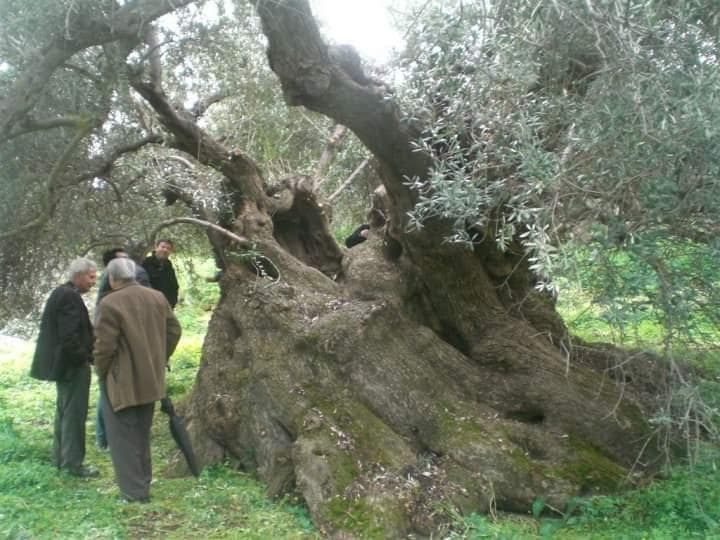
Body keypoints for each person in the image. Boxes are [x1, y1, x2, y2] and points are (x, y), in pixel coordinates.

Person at [94, 258, 182, 502]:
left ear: (112, 279)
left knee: (122, 437)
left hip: (121, 380)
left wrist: (102, 372)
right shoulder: (157, 297)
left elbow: (104, 347)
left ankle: (133, 494)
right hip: (151, 378)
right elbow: (174, 330)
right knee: (141, 434)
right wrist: (159, 356)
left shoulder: (109, 303)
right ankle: (142, 482)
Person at [30, 258, 99, 478]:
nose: (93, 282)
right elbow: (69, 336)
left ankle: (61, 458)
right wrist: (85, 357)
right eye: (91, 277)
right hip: (72, 367)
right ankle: (73, 464)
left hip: (63, 366)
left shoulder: (61, 293)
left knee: (64, 411)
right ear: (78, 275)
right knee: (74, 414)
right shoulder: (69, 297)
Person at [93, 247, 151, 450]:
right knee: (110, 396)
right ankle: (105, 438)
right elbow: (105, 339)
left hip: (128, 345)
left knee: (114, 395)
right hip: (121, 348)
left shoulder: (132, 279)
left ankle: (108, 438)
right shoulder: (110, 296)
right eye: (122, 259)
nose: (127, 262)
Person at [141, 239, 179, 308]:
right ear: (156, 248)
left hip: (167, 307)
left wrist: (172, 304)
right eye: (163, 247)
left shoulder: (168, 266)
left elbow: (174, 286)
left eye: (168, 248)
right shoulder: (146, 263)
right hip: (150, 307)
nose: (165, 250)